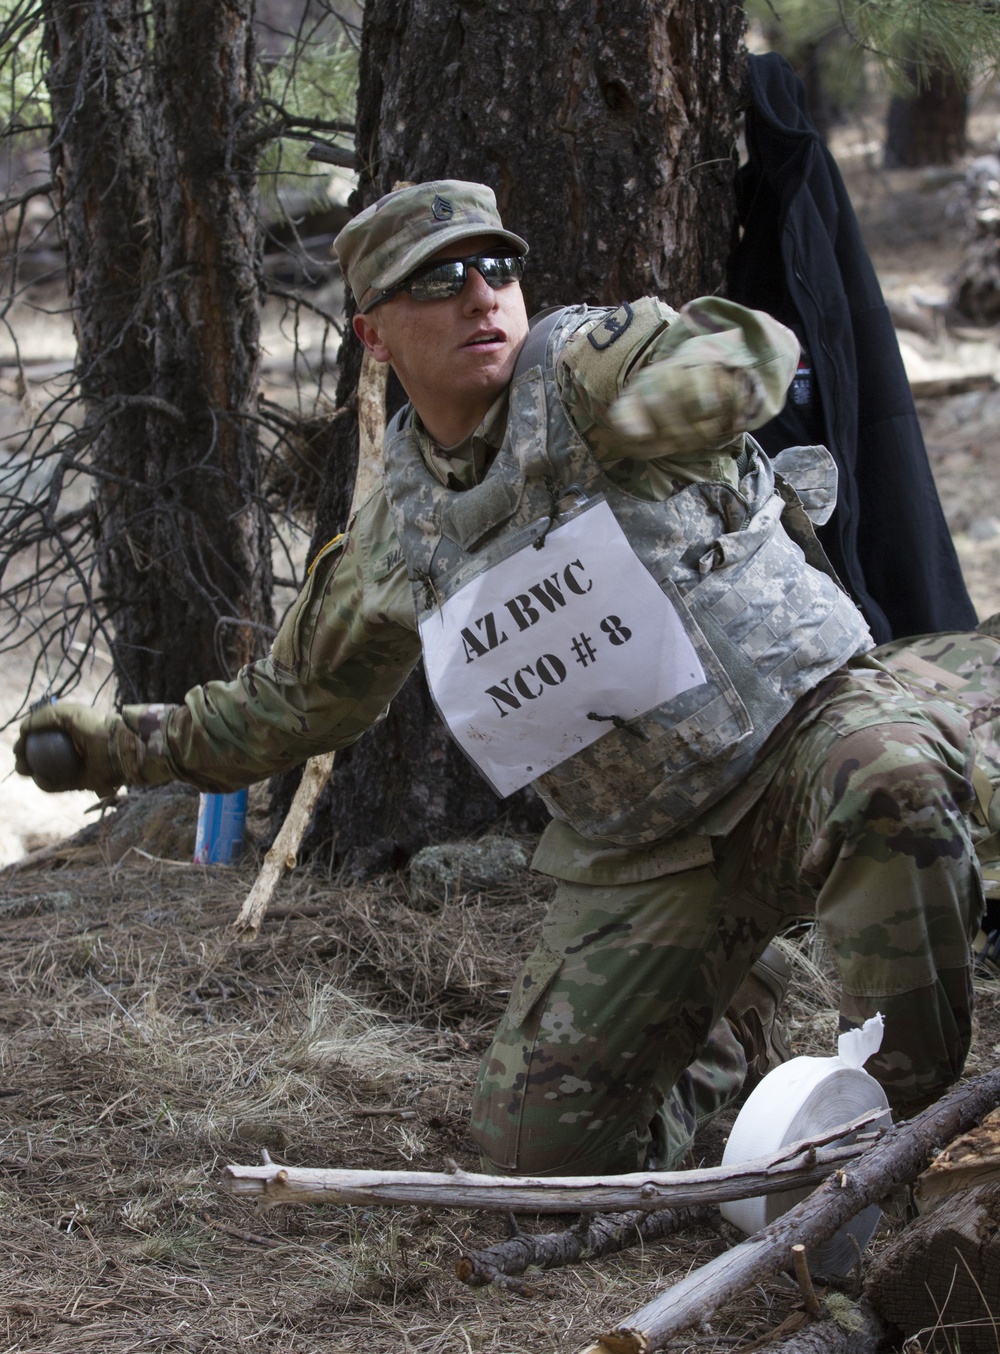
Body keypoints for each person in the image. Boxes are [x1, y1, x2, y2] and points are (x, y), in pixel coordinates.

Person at [15, 180, 987, 1177]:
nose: (481, 297)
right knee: (534, 1158)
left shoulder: (586, 369)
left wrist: (701, 385)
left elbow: (745, 349)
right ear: (375, 334)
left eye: (498, 267)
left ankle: (905, 1139)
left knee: (890, 779)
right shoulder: (399, 535)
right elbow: (294, 704)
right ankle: (729, 1021)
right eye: (436, 280)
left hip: (806, 734)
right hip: (649, 851)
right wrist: (115, 747)